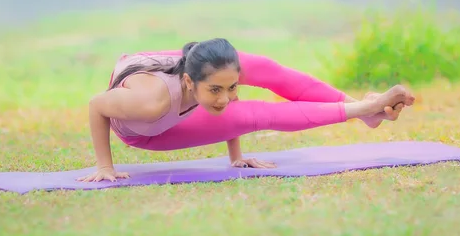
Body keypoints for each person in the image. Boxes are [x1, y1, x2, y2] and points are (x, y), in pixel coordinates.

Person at [79, 38, 415, 182]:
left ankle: (364, 110)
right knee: (258, 115)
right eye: (214, 91)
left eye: (231, 89)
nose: (225, 98)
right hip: (144, 130)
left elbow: (224, 101)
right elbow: (97, 105)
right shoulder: (151, 104)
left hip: (172, 71)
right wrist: (105, 166)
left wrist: (235, 154)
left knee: (256, 67)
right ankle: (364, 108)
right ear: (188, 82)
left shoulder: (206, 83)